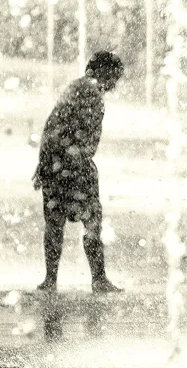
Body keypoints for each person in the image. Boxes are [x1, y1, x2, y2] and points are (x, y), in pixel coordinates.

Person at [34, 50, 125, 293]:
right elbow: (87, 139)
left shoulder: (74, 87)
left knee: (54, 222)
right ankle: (99, 279)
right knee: (92, 220)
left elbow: (51, 126)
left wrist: (43, 163)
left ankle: (50, 280)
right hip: (74, 166)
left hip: (54, 163)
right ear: (105, 71)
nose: (115, 85)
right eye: (115, 76)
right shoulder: (94, 92)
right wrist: (78, 163)